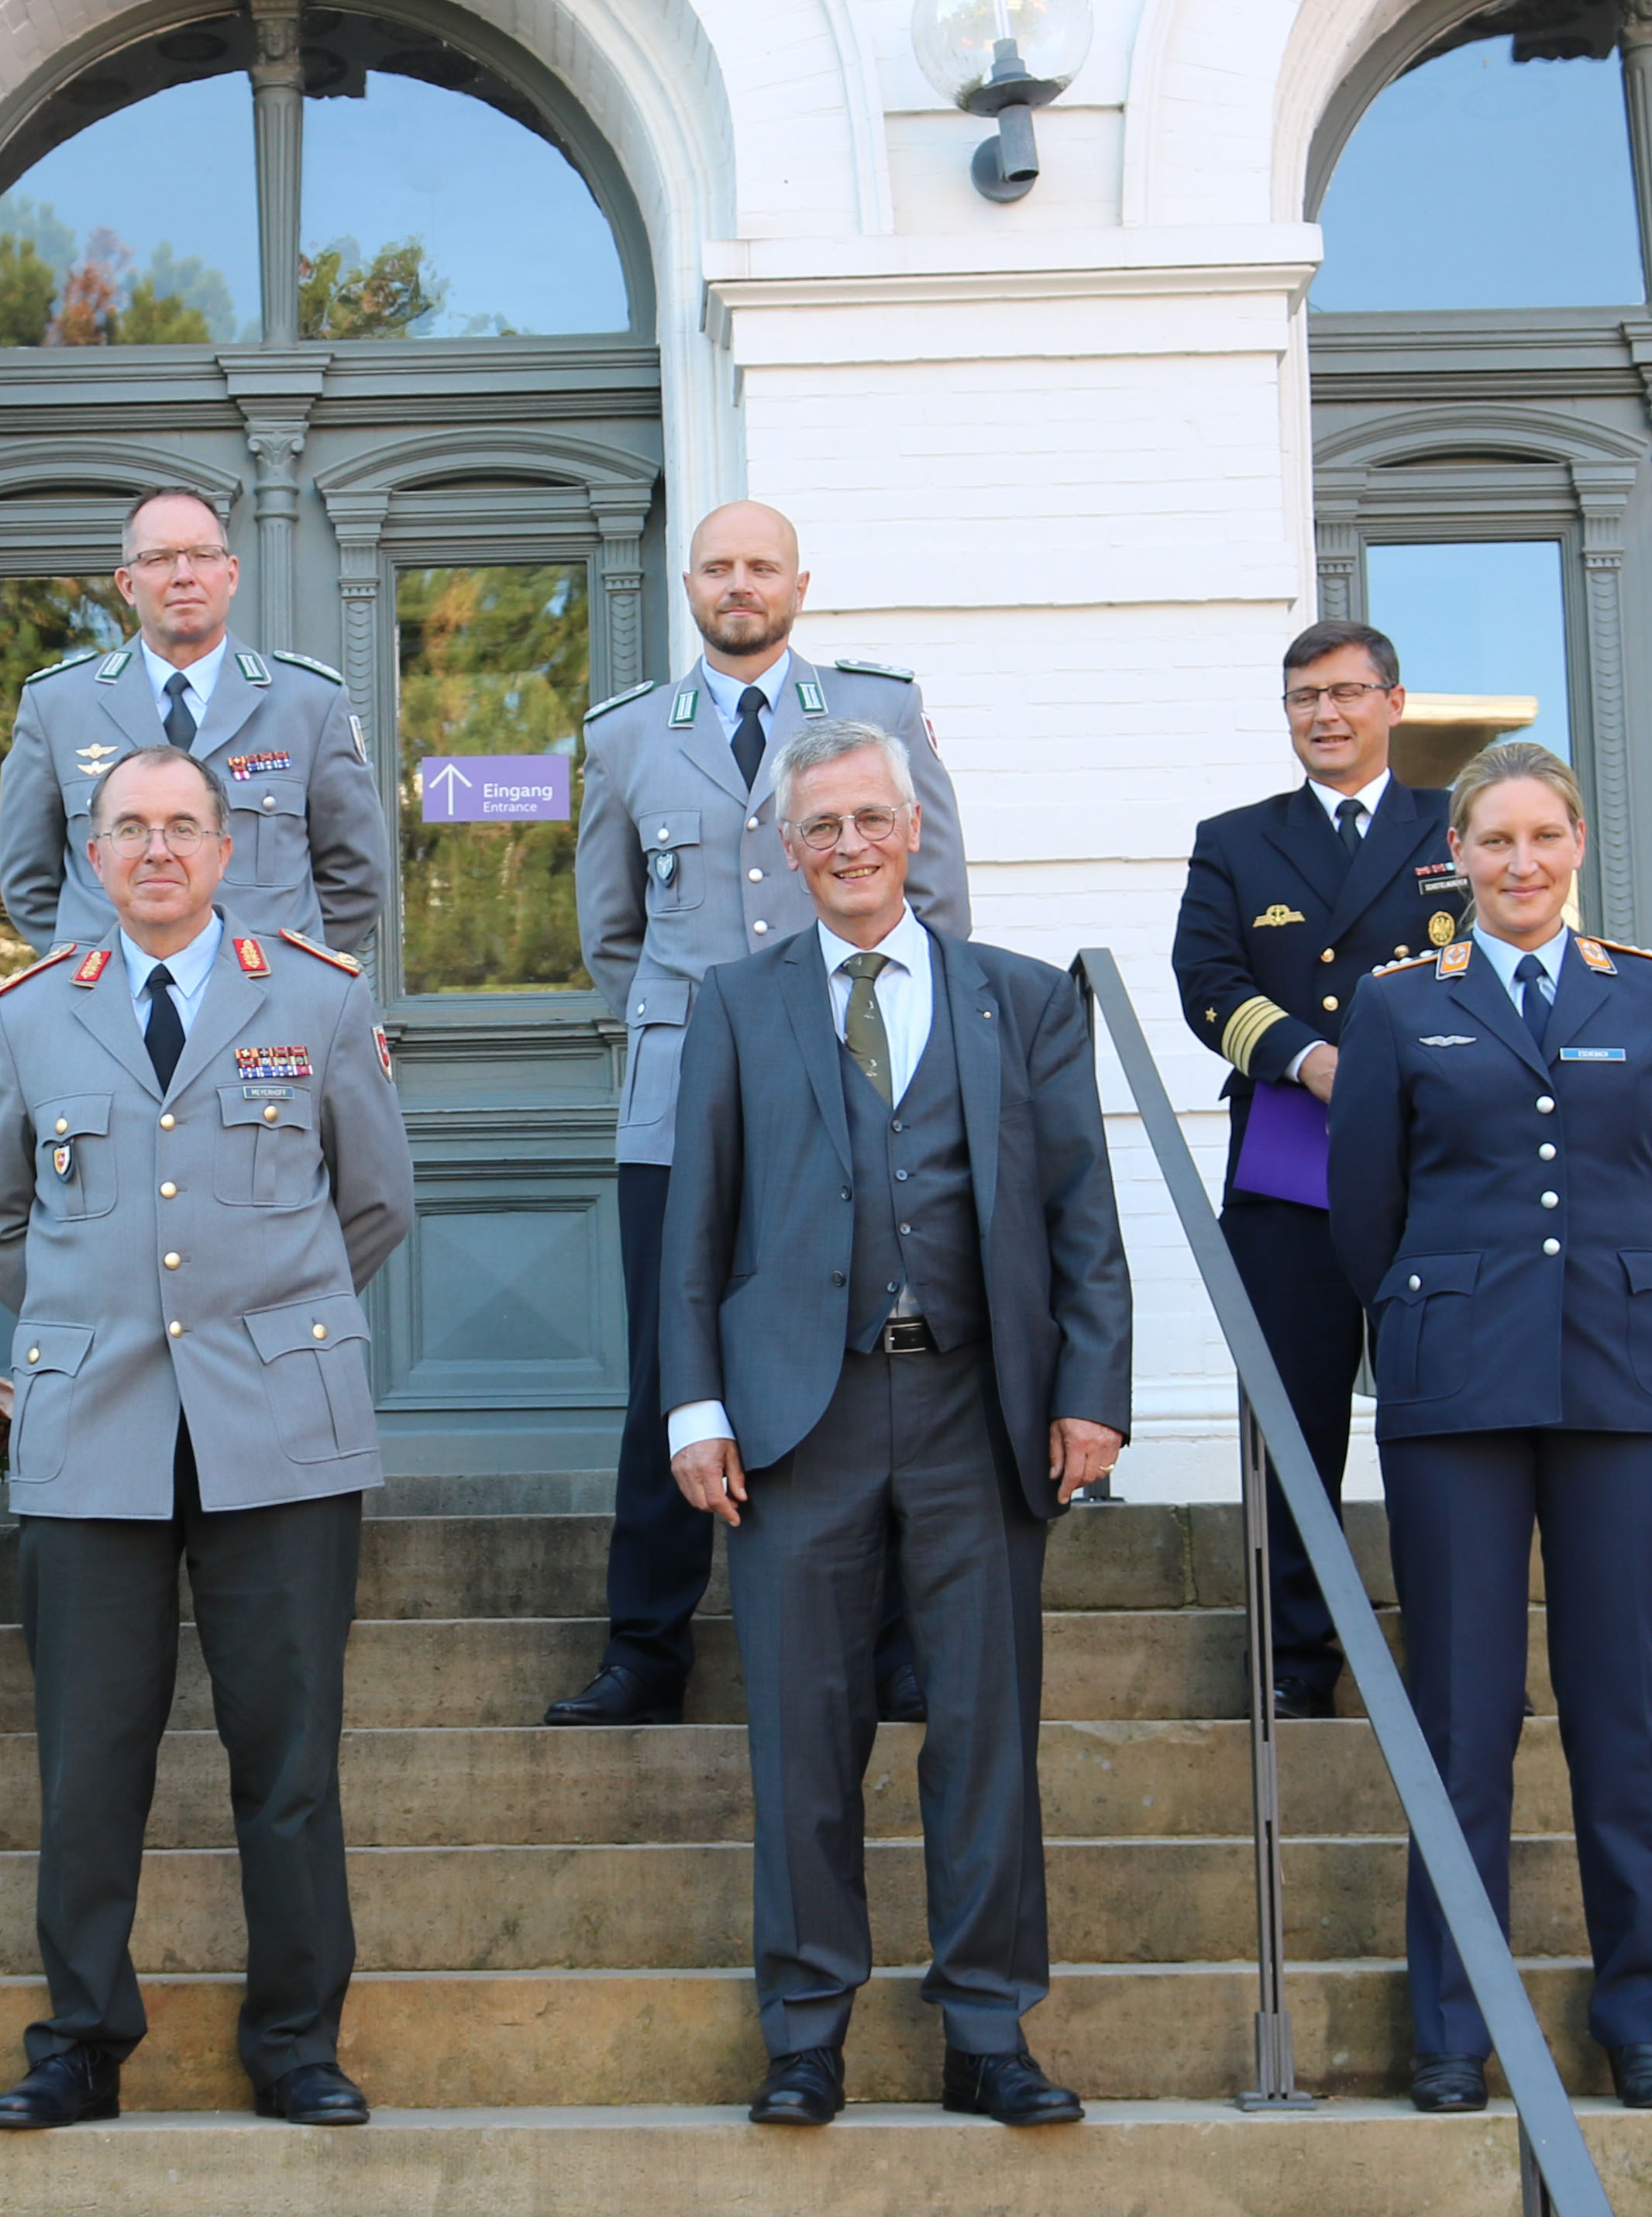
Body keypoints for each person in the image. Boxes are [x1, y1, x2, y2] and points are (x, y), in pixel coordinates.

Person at [658, 721, 1129, 2129]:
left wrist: (1090, 1391)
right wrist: (695, 1402)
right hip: (796, 1418)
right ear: (788, 850)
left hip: (974, 1407)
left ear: (912, 828)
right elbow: (698, 1223)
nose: (850, 845)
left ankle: (988, 2033)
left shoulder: (1024, 1000)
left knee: (983, 1729)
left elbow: (1079, 1215)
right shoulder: (736, 1003)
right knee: (803, 1733)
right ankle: (805, 2032)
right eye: (822, 828)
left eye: (871, 818)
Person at [0, 743, 415, 2133]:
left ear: (226, 851)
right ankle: (80, 2041)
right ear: (91, 857)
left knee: (288, 1759)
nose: (156, 850)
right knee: (92, 1761)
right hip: (94, 1428)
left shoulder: (317, 999)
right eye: (127, 829)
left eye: (182, 827)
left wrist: (265, 1319)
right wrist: (100, 1318)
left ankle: (295, 2044)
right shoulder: (33, 1016)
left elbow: (376, 1201)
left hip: (278, 1421)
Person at [1326, 742, 1652, 2119]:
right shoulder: (1395, 1007)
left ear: (1578, 841)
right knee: (1460, 1719)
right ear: (1456, 858)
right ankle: (1452, 2027)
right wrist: (1447, 1318)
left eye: (1543, 836)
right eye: (1494, 841)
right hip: (1457, 1395)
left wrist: (1603, 1303)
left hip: (1617, 1385)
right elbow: (1363, 1211)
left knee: (1620, 1719)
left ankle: (1642, 2021)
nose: (1521, 863)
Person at [554, 498, 972, 1732]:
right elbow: (608, 933)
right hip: (680, 1099)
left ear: (800, 581)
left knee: (865, 1359)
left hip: (850, 1084)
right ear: (688, 583)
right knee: (664, 1379)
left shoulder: (875, 713)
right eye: (719, 567)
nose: (740, 585)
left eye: (762, 567)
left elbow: (933, 897)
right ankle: (647, 1652)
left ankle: (893, 1647)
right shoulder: (629, 735)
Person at [1172, 618, 1468, 1718]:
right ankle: (1297, 1658)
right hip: (1289, 1169)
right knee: (1293, 1423)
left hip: (1443, 1170)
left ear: (1395, 702)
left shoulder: (1462, 827)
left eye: (1347, 693)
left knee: (1443, 1415)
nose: (1326, 715)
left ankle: (1454, 1654)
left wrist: (1399, 1063)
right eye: (1304, 698)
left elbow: (1502, 958)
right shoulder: (1237, 839)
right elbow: (1204, 976)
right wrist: (1308, 1056)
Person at [0, 488, 385, 953]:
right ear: (126, 583)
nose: (184, 576)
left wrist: (290, 976)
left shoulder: (309, 703)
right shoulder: (57, 706)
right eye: (158, 559)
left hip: (269, 1008)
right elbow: (28, 884)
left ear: (231, 574)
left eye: (203, 555)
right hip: (112, 1009)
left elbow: (356, 877)